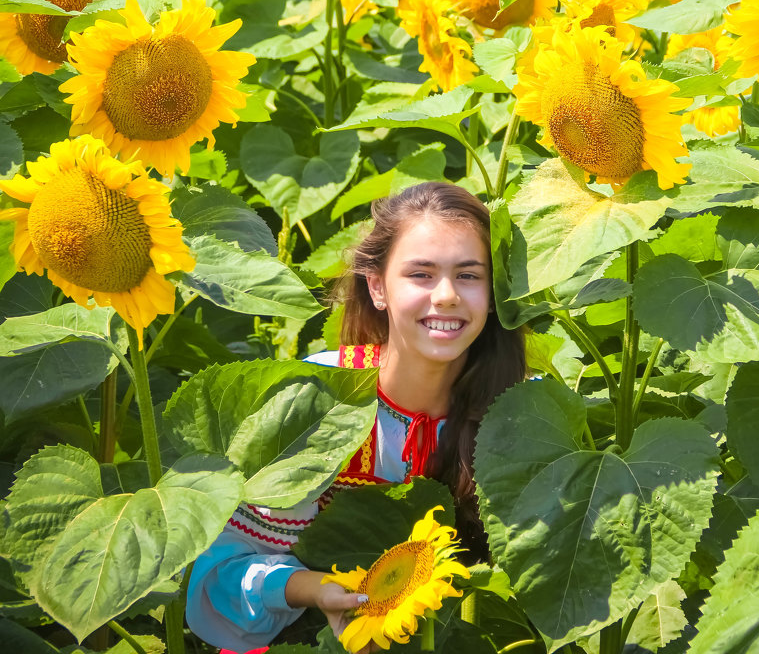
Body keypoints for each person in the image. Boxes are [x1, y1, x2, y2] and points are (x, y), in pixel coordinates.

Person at [186, 181, 527, 653]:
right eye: (421, 275)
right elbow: (220, 578)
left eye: (469, 275)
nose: (447, 295)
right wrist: (318, 589)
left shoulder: (521, 411)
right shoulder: (318, 400)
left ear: (494, 294)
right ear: (377, 287)